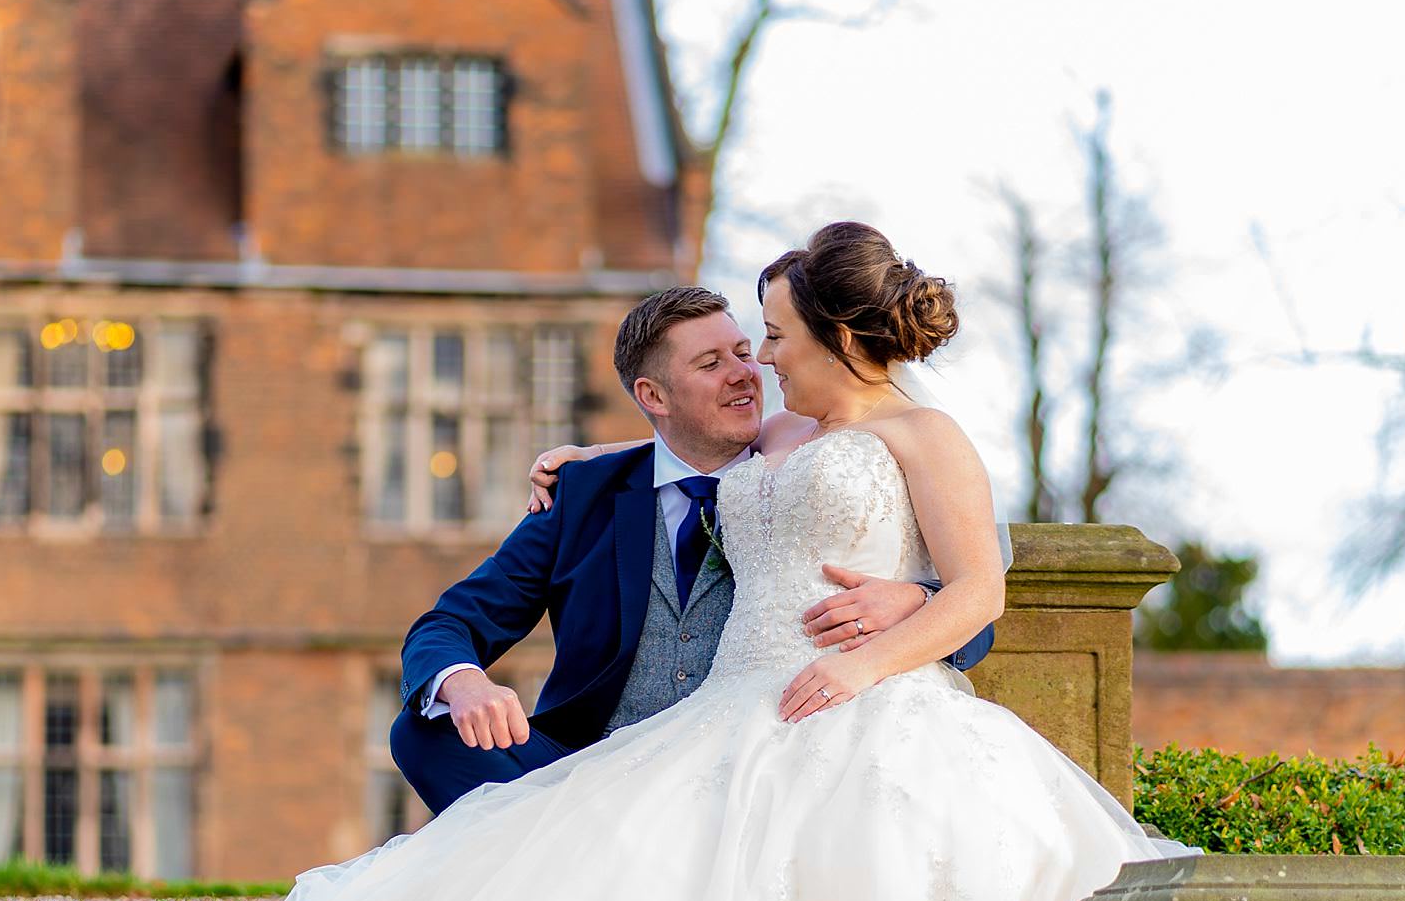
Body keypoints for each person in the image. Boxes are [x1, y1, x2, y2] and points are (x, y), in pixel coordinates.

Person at [210, 222, 1197, 901]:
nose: (758, 360)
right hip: (724, 715)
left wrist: (880, 642)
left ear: (832, 330)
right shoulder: (776, 442)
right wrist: (588, 464)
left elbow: (979, 591)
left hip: (855, 709)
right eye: (732, 350)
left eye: (766, 336)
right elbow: (684, 465)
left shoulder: (927, 437)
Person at [385, 283, 995, 817]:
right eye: (711, 363)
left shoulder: (814, 475)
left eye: (742, 350)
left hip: (752, 756)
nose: (746, 370)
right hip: (591, 768)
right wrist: (465, 684)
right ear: (654, 396)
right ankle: (579, 852)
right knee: (423, 731)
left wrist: (916, 599)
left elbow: (975, 617)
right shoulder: (581, 496)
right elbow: (452, 621)